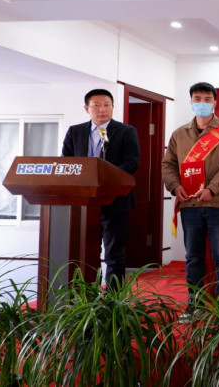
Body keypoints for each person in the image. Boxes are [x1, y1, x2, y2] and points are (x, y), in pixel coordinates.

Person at [162, 82, 219, 315]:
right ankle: (194, 305)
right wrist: (175, 186)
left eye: (207, 99)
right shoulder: (179, 134)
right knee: (193, 257)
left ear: (215, 102)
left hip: (218, 203)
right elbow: (168, 165)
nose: (202, 103)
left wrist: (212, 189)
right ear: (191, 101)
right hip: (190, 204)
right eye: (197, 99)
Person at [62, 88, 140, 290]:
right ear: (87, 108)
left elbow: (132, 163)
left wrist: (104, 176)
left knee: (114, 253)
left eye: (107, 105)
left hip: (115, 201)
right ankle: (87, 297)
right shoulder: (75, 131)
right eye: (96, 105)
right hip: (83, 203)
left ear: (113, 107)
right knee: (86, 253)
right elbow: (67, 163)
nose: (102, 109)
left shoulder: (126, 131)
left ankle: (114, 300)